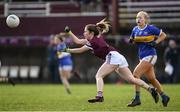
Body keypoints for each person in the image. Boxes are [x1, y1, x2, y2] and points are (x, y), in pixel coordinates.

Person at [63, 20, 159, 104]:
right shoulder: (95, 37)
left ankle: (100, 96)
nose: (84, 33)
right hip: (118, 56)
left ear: (91, 33)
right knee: (131, 79)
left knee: (98, 76)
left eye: (85, 31)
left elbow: (80, 49)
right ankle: (151, 89)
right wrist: (69, 32)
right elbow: (78, 41)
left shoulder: (92, 42)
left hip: (112, 57)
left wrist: (67, 50)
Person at [127, 11, 170, 107]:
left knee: (135, 75)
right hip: (142, 57)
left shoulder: (151, 28)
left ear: (145, 19)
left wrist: (156, 42)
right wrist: (131, 41)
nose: (138, 19)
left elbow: (163, 35)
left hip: (150, 55)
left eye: (140, 18)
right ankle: (164, 96)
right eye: (137, 17)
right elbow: (132, 40)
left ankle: (137, 99)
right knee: (152, 79)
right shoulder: (135, 29)